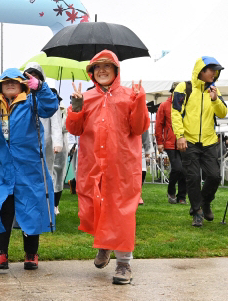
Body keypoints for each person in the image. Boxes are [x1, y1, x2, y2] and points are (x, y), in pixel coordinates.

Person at [66, 50, 149, 285]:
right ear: (91, 73)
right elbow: (74, 129)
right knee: (96, 209)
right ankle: (103, 244)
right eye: (97, 67)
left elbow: (139, 127)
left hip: (121, 167)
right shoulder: (88, 97)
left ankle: (124, 264)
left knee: (121, 213)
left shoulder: (128, 96)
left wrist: (139, 101)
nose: (102, 70)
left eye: (107, 66)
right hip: (93, 165)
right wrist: (77, 107)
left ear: (116, 71)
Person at [0, 68, 58, 271]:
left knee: (30, 209)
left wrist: (41, 88)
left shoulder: (32, 102)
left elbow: (50, 107)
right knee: (3, 209)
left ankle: (31, 254)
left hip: (30, 166)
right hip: (5, 168)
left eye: (14, 81)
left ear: (23, 84)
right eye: (5, 81)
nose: (9, 84)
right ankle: (1, 255)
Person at [171, 57, 227, 227]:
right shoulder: (184, 87)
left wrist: (215, 99)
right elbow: (175, 113)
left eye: (217, 70)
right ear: (202, 70)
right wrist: (180, 136)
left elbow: (223, 113)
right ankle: (197, 211)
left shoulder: (215, 90)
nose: (215, 73)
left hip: (210, 141)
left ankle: (205, 202)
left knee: (214, 176)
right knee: (193, 177)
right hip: (189, 141)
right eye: (212, 70)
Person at [155, 82, 187, 204]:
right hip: (170, 143)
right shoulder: (164, 106)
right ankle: (171, 191)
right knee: (178, 168)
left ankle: (182, 197)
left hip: (184, 142)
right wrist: (159, 142)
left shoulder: (186, 105)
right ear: (172, 91)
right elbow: (159, 125)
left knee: (184, 170)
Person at [50, 91, 70, 215]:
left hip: (61, 148)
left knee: (59, 177)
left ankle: (56, 205)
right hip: (47, 147)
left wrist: (59, 119)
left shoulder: (64, 111)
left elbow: (66, 127)